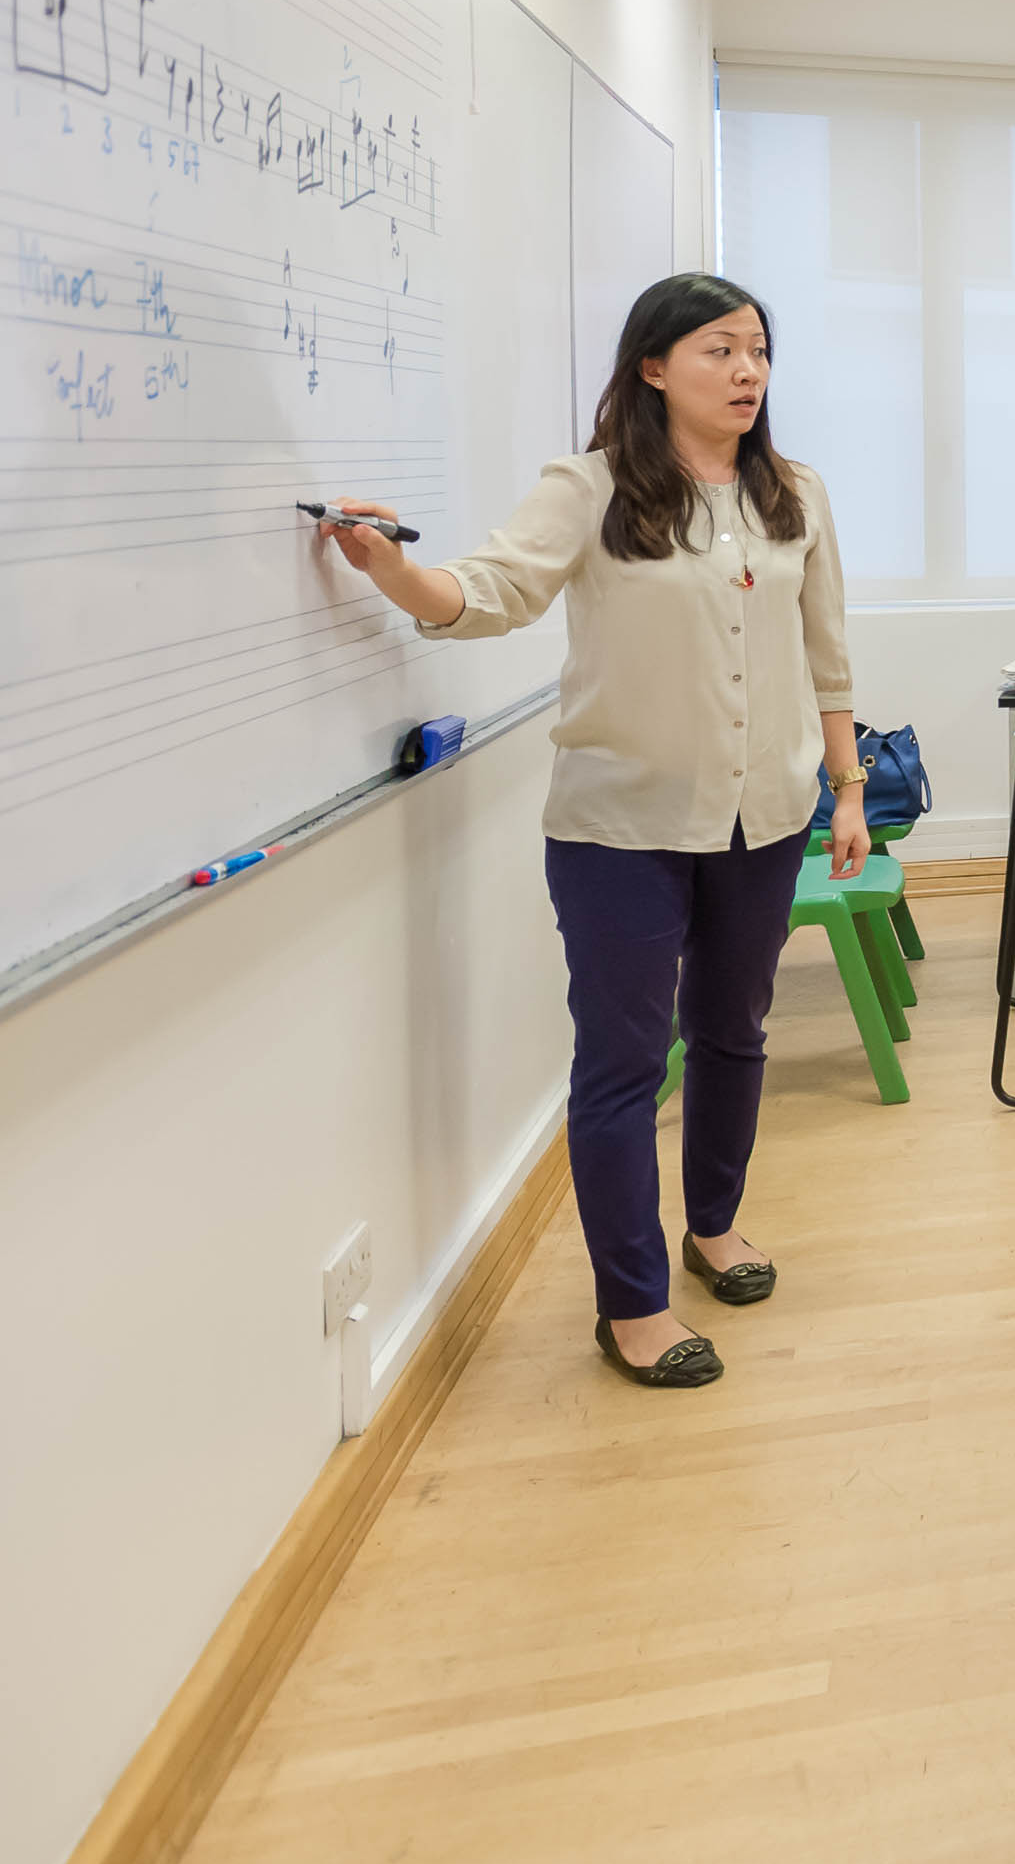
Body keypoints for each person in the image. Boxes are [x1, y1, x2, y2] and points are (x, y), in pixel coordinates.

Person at [315, 274, 860, 1391]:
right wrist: (397, 574)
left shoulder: (795, 491)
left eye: (758, 350)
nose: (748, 370)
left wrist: (847, 787)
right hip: (622, 828)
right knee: (622, 1063)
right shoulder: (593, 487)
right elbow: (495, 590)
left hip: (767, 818)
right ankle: (633, 1304)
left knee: (734, 1033)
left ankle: (714, 1227)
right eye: (719, 350)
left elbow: (827, 653)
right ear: (653, 367)